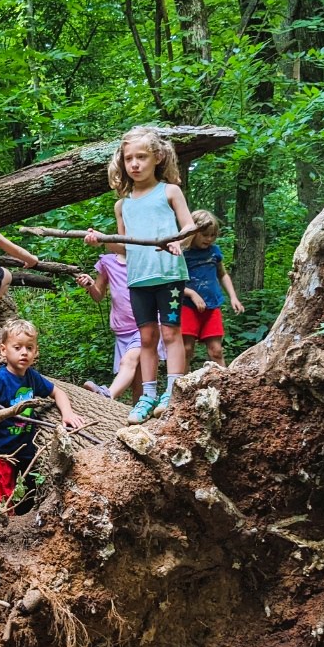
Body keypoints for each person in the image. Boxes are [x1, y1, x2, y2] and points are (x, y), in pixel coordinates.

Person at [84, 126, 196, 425]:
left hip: (169, 274)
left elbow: (189, 227)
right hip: (138, 278)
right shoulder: (123, 204)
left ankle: (173, 390)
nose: (135, 164)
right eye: (129, 158)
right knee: (146, 337)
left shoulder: (169, 191)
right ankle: (148, 395)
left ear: (157, 157)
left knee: (171, 333)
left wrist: (178, 240)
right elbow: (123, 249)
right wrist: (102, 239)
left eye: (141, 157)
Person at [0, 319, 85, 504]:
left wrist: (67, 414)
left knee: (9, 504)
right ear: (3, 350)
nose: (24, 352)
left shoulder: (32, 377)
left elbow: (58, 392)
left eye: (29, 348)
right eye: (17, 347)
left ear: (35, 352)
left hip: (16, 457)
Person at [75, 243, 167, 402]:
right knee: (139, 383)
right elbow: (98, 296)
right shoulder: (107, 262)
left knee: (128, 361)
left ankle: (107, 394)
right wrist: (90, 285)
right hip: (123, 329)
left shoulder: (145, 257)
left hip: (147, 324)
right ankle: (140, 418)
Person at [181, 210, 244, 367]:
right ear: (193, 232)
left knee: (216, 350)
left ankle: (224, 384)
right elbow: (173, 282)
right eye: (205, 234)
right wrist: (192, 294)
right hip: (187, 306)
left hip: (212, 305)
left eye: (213, 235)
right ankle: (179, 385)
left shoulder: (214, 251)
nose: (209, 239)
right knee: (186, 349)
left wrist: (233, 297)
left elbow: (222, 274)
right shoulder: (182, 253)